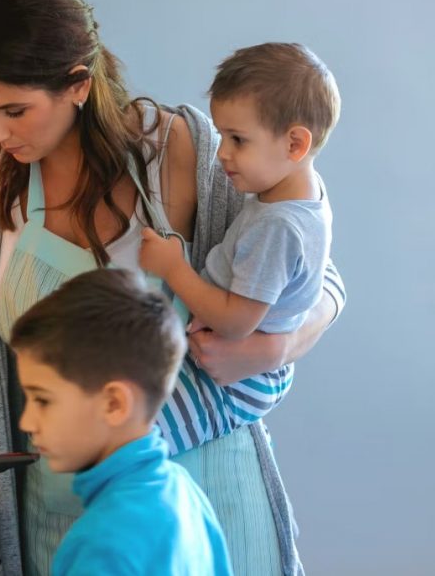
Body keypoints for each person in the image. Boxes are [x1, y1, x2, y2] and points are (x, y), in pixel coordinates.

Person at [0, 0, 346, 576]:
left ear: (79, 86)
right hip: (63, 522)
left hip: (206, 505)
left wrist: (271, 348)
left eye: (15, 110)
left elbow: (317, 273)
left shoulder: (186, 148)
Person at [140, 42, 339, 441]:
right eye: (220, 136)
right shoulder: (298, 189)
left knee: (136, 439)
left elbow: (234, 322)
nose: (221, 154)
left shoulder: (279, 227)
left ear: (295, 144)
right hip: (248, 361)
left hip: (239, 381)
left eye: (237, 140)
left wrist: (174, 268)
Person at [10, 267, 232, 576]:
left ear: (114, 404)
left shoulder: (102, 545)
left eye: (43, 400)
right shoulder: (184, 492)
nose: (27, 422)